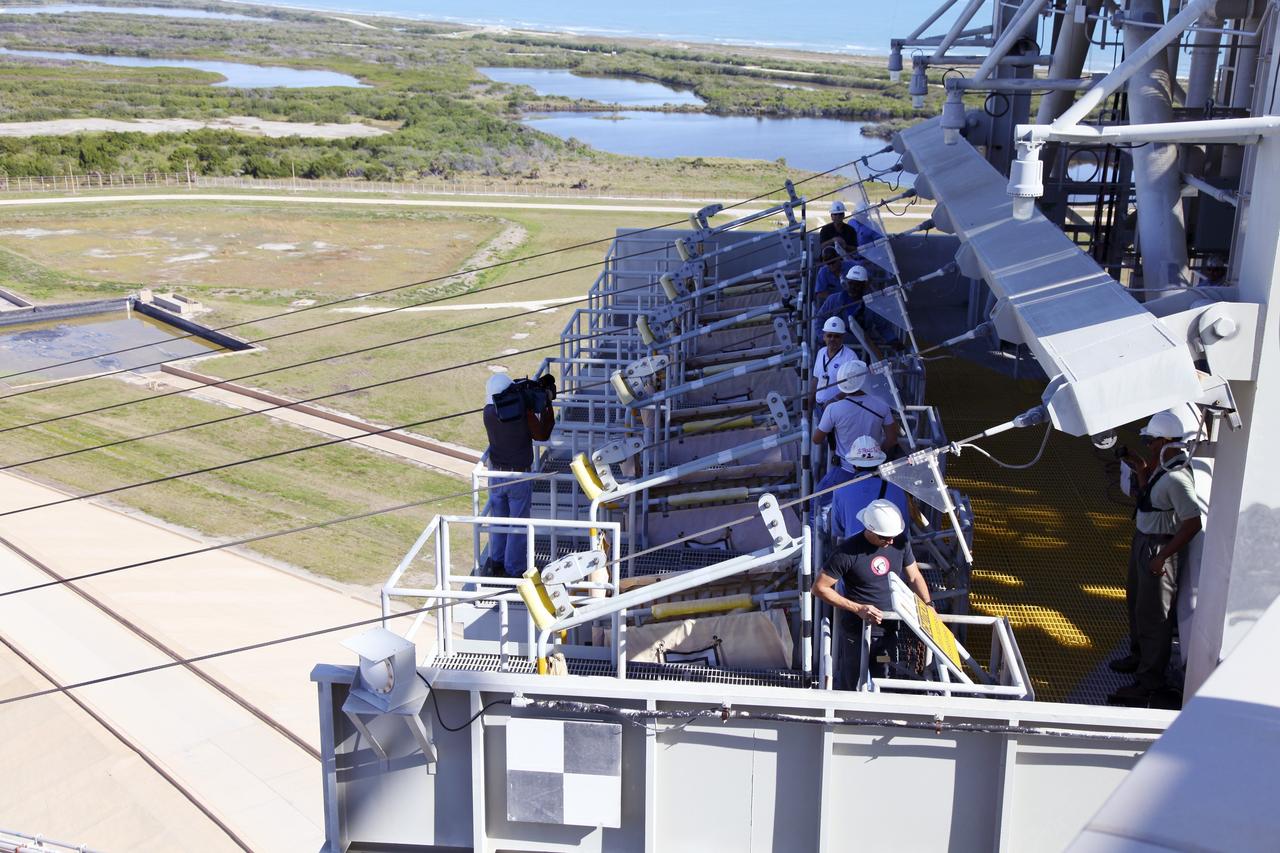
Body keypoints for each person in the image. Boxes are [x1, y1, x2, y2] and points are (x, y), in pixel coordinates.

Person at [1109, 410, 1205, 705]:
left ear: (1166, 441)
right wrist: (1139, 468)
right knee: (1138, 604)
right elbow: (1150, 497)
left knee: (1154, 617)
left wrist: (1162, 556)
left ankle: (1149, 682)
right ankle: (1140, 659)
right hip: (1144, 541)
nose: (1148, 446)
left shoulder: (1177, 477)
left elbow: (1192, 523)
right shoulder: (1164, 467)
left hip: (1156, 549)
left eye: (1151, 440)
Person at [811, 499, 932, 690]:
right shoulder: (847, 552)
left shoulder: (900, 542)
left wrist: (928, 604)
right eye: (884, 537)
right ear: (870, 529)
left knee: (884, 677)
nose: (890, 541)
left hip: (888, 630)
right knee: (853, 681)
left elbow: (915, 575)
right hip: (856, 632)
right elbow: (819, 588)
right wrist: (858, 608)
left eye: (893, 536)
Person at [482, 372, 556, 578]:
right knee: (518, 524)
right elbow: (541, 434)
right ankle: (514, 568)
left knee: (499, 520)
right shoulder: (522, 413)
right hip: (518, 475)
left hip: (496, 474)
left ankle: (496, 561)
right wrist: (544, 404)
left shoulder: (487, 412)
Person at [812, 359, 899, 461]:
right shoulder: (882, 404)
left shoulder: (832, 409)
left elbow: (816, 439)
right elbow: (892, 439)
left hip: (844, 467)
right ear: (865, 379)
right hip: (874, 463)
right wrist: (876, 453)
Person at [827, 436, 909, 537]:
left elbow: (837, 531)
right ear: (880, 461)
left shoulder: (840, 492)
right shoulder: (897, 490)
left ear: (854, 464)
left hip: (854, 550)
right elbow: (903, 528)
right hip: (890, 549)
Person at [810, 316, 857, 415]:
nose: (832, 339)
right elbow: (815, 379)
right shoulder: (821, 352)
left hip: (839, 409)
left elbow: (854, 386)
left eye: (836, 336)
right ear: (824, 337)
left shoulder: (850, 357)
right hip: (820, 407)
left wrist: (835, 399)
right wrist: (810, 402)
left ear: (842, 337)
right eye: (829, 335)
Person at [817, 264, 869, 336]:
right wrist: (824, 338)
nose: (853, 287)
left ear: (865, 285)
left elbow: (884, 327)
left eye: (857, 284)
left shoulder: (871, 305)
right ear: (846, 282)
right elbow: (820, 320)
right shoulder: (833, 300)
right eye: (850, 283)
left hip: (860, 345)